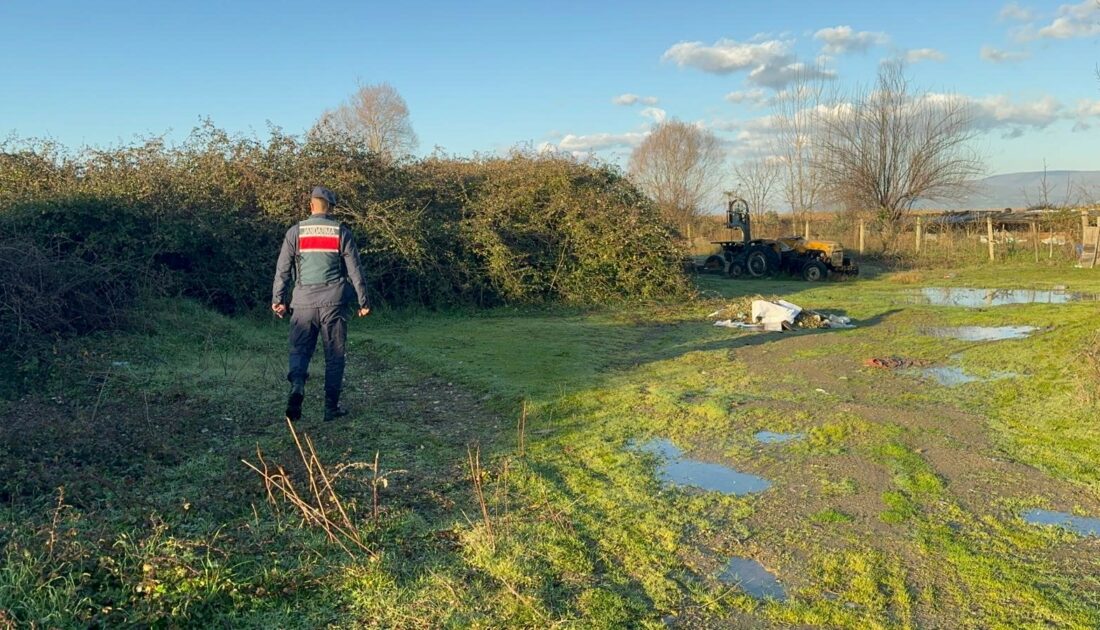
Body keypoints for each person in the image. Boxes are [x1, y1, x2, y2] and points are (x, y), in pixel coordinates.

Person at [271, 186, 371, 422]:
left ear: (310, 206)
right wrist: (363, 301)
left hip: (303, 304)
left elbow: (282, 270)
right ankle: (330, 408)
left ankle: (297, 384)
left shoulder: (295, 232)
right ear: (331, 209)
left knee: (299, 351)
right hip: (334, 303)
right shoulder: (341, 232)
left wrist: (278, 300)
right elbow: (355, 270)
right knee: (334, 356)